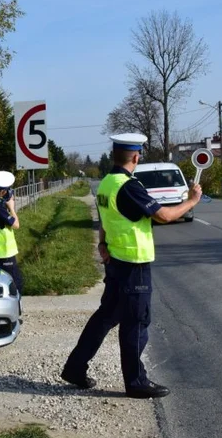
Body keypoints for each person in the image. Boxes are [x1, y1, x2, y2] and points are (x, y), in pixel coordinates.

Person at [60, 133, 202, 399]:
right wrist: (192, 200)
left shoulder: (106, 183)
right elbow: (163, 215)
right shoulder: (129, 186)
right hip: (133, 265)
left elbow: (105, 218)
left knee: (105, 317)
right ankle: (136, 382)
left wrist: (102, 245)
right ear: (136, 157)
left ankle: (74, 367)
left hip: (115, 260)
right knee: (136, 322)